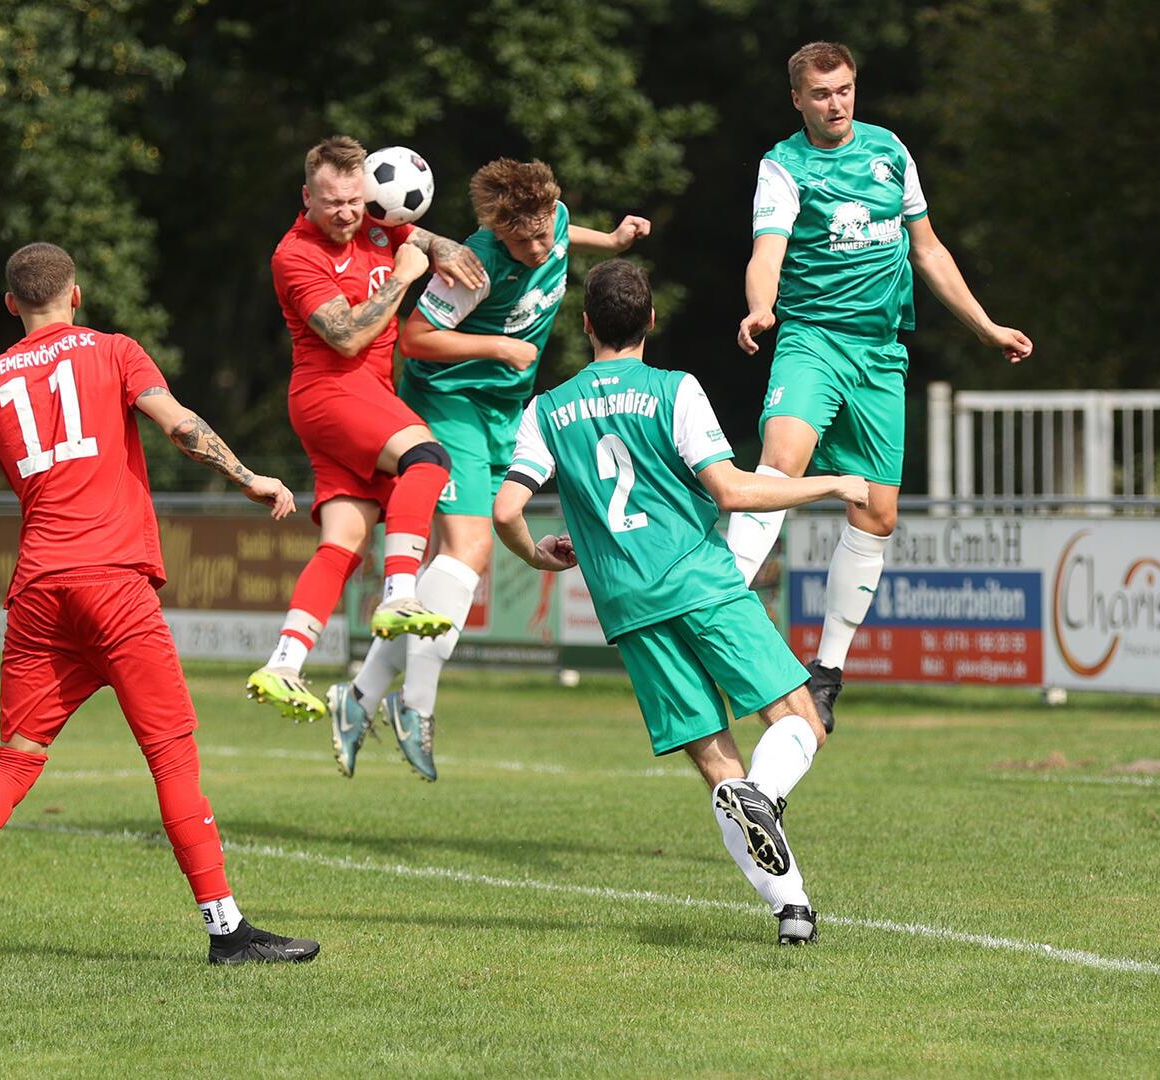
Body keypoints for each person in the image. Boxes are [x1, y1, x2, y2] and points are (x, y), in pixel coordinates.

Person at [0, 242, 317, 968]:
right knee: (171, 753)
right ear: (78, 294)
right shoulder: (114, 350)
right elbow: (180, 426)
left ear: (11, 306)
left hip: (38, 592)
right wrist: (249, 476)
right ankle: (227, 931)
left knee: (15, 762)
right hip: (113, 583)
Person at [493, 260, 869, 943]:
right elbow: (733, 492)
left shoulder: (546, 410)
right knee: (800, 717)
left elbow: (505, 509)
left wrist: (533, 551)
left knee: (714, 760)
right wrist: (832, 485)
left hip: (627, 605)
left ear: (586, 325)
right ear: (651, 323)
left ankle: (793, 910)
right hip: (700, 581)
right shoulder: (674, 390)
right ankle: (770, 795)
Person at [727, 41, 1033, 732]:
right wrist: (760, 307)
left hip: (879, 356)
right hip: (811, 339)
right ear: (797, 100)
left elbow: (926, 247)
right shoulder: (783, 166)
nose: (835, 103)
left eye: (844, 90)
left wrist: (984, 326)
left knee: (877, 513)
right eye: (821, 93)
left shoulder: (890, 151)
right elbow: (767, 250)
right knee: (779, 463)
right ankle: (714, 605)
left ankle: (827, 671)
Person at [328, 158, 651, 781]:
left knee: (465, 562)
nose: (539, 248)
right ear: (498, 232)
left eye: (543, 235)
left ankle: (361, 696)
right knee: (470, 550)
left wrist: (607, 240)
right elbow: (416, 336)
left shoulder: (553, 222)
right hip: (449, 405)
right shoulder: (473, 263)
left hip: (503, 410)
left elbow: (563, 231)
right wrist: (497, 345)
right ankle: (414, 705)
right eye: (523, 240)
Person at [246, 135, 490, 722]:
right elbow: (349, 335)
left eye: (356, 201)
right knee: (428, 459)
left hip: (363, 395)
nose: (348, 214)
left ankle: (283, 662)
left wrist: (442, 246)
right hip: (332, 392)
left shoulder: (374, 226)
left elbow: (416, 235)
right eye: (333, 203)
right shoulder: (295, 255)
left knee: (341, 546)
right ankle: (399, 595)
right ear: (308, 196)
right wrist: (406, 275)